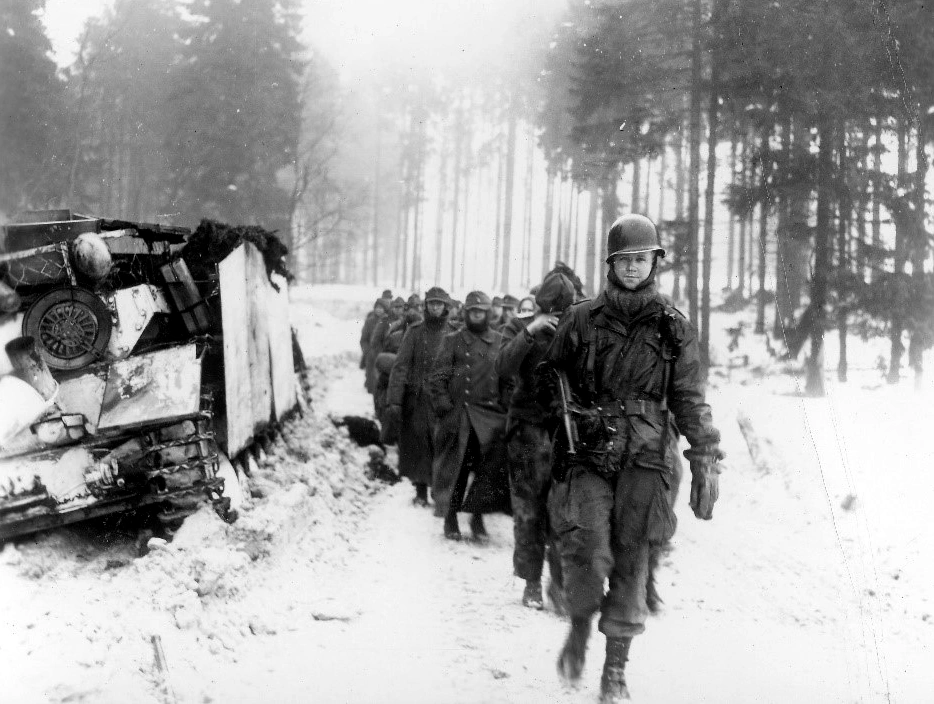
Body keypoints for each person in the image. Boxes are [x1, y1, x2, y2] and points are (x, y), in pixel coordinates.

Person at [539, 213, 723, 703]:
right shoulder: (580, 318)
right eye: (623, 260)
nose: (632, 268)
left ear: (654, 263)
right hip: (589, 453)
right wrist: (563, 413)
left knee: (633, 559)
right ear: (610, 264)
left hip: (646, 456)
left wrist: (704, 452)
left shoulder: (673, 328)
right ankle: (580, 624)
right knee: (587, 546)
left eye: (641, 259)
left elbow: (689, 396)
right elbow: (547, 378)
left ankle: (615, 669)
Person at [495, 269, 576, 611]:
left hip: (565, 430)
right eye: (551, 309)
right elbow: (501, 366)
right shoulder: (519, 327)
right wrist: (531, 330)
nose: (556, 315)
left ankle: (560, 583)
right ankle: (531, 582)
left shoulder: (577, 329)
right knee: (529, 509)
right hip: (527, 431)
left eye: (562, 309)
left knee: (564, 509)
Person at [428, 290, 511, 541]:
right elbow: (438, 376)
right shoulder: (453, 340)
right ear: (466, 313)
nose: (477, 316)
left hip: (488, 417)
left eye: (481, 312)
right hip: (459, 416)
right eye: (473, 311)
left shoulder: (499, 340)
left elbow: (508, 378)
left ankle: (478, 517)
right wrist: (443, 405)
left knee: (488, 470)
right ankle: (450, 517)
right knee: (456, 469)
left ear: (487, 314)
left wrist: (505, 407)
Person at [386, 287, 453, 506]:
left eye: (439, 303)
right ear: (425, 306)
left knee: (442, 444)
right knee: (419, 444)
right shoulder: (414, 332)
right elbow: (400, 366)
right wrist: (394, 400)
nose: (435, 307)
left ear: (445, 306)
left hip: (444, 399)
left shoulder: (453, 333)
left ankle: (440, 489)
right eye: (431, 303)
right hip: (418, 398)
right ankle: (421, 490)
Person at [362, 297, 390, 392]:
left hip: (384, 355)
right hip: (372, 356)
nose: (379, 310)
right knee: (372, 385)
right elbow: (364, 339)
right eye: (377, 307)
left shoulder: (388, 321)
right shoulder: (369, 321)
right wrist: (368, 351)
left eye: (381, 308)